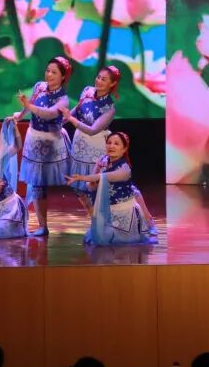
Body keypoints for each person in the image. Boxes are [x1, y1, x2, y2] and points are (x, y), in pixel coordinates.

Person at [62, 65, 157, 232]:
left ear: (112, 84)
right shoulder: (87, 91)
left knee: (106, 185)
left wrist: (70, 119)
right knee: (79, 189)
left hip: (96, 146)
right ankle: (95, 221)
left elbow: (93, 130)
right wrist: (60, 122)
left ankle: (147, 219)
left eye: (104, 79)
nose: (99, 81)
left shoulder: (109, 108)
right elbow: (76, 110)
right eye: (98, 77)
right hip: (79, 145)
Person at [14, 56, 72, 236]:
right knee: (37, 184)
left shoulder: (63, 99)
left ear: (63, 76)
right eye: (48, 70)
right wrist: (20, 115)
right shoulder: (39, 86)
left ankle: (95, 218)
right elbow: (30, 104)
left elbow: (48, 114)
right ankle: (42, 225)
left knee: (76, 184)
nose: (49, 75)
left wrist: (29, 106)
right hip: (34, 140)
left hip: (52, 144)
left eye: (54, 72)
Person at [66, 132, 153, 245]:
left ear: (124, 149)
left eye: (116, 144)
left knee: (121, 247)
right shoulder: (104, 160)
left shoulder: (124, 169)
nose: (111, 146)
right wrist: (97, 166)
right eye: (109, 143)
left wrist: (81, 177)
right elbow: (91, 186)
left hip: (123, 212)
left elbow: (101, 177)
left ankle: (148, 222)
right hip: (108, 211)